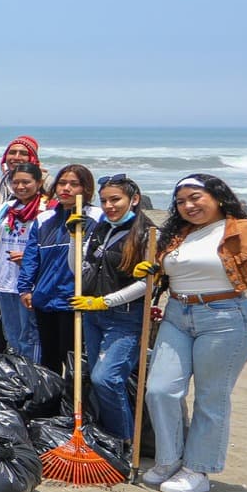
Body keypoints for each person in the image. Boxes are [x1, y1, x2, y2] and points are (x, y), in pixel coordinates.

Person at [139, 172, 247, 492]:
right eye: (180, 201)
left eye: (195, 198)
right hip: (178, 314)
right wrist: (153, 265)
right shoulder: (179, 234)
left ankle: (198, 470)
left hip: (225, 318)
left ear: (218, 197)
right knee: (160, 390)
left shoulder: (245, 229)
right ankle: (168, 460)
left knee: (211, 397)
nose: (188, 206)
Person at [67, 175, 153, 443]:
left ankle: (124, 441)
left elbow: (146, 284)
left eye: (116, 199)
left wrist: (105, 301)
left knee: (107, 379)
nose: (109, 206)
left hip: (126, 317)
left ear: (134, 200)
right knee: (96, 379)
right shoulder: (99, 229)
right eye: (104, 201)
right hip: (92, 315)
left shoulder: (148, 233)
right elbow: (77, 270)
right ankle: (109, 437)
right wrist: (74, 239)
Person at [17, 165, 95, 376]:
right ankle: (51, 403)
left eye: (74, 184)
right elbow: (31, 257)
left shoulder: (96, 217)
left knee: (70, 355)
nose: (66, 189)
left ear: (86, 189)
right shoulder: (44, 219)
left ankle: (73, 404)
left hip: (74, 299)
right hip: (45, 297)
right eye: (62, 183)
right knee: (48, 357)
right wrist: (25, 288)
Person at [0, 160, 47, 363]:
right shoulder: (7, 208)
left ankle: (35, 382)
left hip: (31, 285)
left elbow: (52, 251)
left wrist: (29, 259)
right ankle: (19, 383)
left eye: (26, 182)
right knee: (12, 338)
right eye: (15, 182)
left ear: (38, 182)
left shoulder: (47, 210)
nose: (20, 187)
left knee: (31, 338)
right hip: (4, 282)